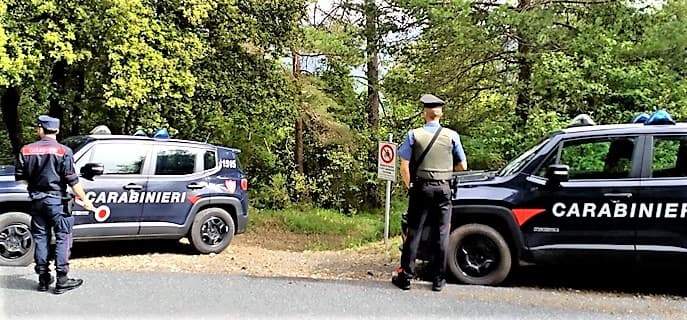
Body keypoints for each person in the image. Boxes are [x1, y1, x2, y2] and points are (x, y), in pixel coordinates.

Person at [392, 94, 467, 292]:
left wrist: (409, 186)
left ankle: (406, 277)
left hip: (421, 189)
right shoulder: (452, 136)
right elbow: (463, 165)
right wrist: (444, 171)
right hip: (443, 189)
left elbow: (404, 166)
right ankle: (438, 280)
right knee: (442, 233)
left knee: (414, 232)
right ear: (440, 113)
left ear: (425, 112)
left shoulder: (413, 135)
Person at [15, 115, 94, 294]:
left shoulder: (26, 150)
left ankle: (43, 279)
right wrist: (86, 201)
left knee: (41, 239)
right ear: (57, 131)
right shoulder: (64, 151)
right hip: (57, 202)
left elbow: (21, 178)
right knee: (62, 238)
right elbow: (73, 181)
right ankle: (62, 280)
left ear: (40, 129)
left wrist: (36, 190)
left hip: (36, 201)